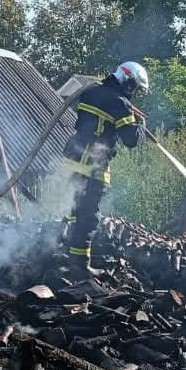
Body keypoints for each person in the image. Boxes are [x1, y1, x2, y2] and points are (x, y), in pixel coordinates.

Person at [61, 61, 149, 277]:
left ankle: (70, 257)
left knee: (76, 212)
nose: (135, 94)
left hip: (73, 162)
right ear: (128, 83)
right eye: (136, 89)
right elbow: (131, 140)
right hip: (93, 166)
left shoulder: (91, 91)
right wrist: (141, 123)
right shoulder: (120, 104)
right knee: (88, 217)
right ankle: (80, 268)